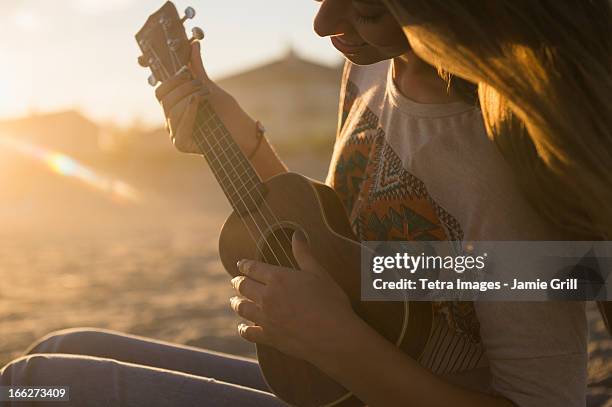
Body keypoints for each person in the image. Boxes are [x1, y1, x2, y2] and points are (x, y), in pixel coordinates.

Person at [1, 0, 602, 406]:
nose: (321, 23)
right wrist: (242, 140)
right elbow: (353, 257)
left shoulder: (516, 158)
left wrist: (338, 343)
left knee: (34, 385)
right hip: (343, 381)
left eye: (363, 3)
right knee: (56, 349)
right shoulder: (373, 70)